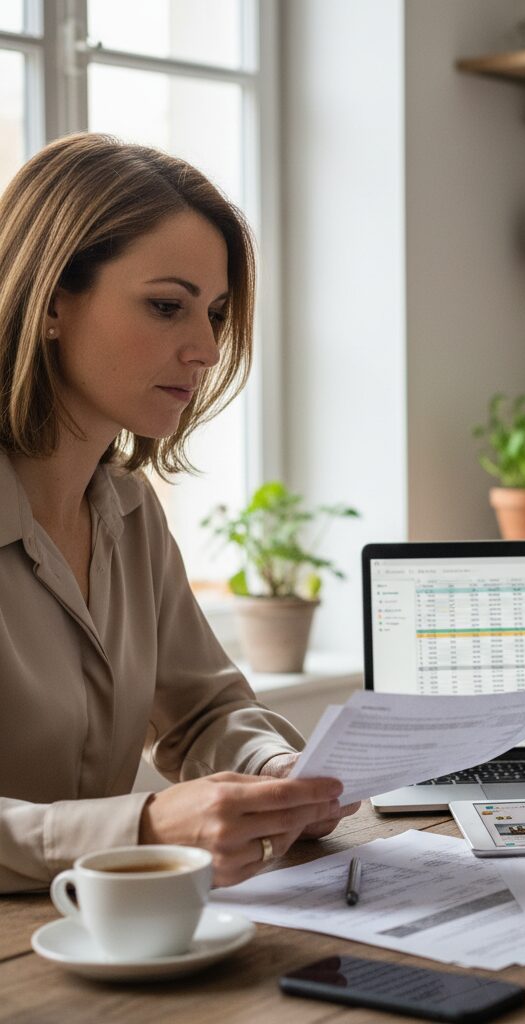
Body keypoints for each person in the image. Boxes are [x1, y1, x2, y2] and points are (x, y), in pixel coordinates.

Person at [0, 133, 359, 894]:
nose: (204, 349)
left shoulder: (129, 513)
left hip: (98, 939)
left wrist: (276, 772)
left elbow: (203, 710)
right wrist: (145, 828)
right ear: (53, 301)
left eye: (217, 314)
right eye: (167, 306)